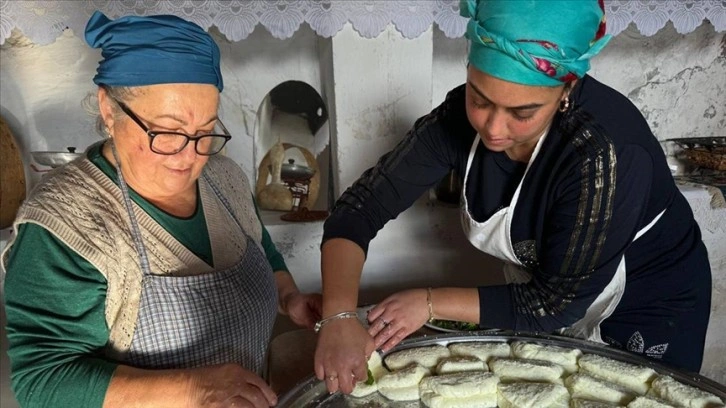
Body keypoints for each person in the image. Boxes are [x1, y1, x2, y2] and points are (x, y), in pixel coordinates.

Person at [313, 0, 712, 394]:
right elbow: (360, 209)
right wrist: (339, 316)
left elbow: (554, 306)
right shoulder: (457, 120)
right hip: (544, 298)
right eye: (479, 99)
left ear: (566, 89)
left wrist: (429, 303)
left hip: (646, 301)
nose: (493, 128)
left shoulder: (603, 154)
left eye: (522, 113)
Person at [1, 11, 322, 408]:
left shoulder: (225, 178)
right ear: (108, 109)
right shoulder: (66, 224)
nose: (189, 155)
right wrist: (193, 389)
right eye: (168, 132)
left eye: (205, 131)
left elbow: (262, 250)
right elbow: (44, 381)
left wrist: (289, 298)